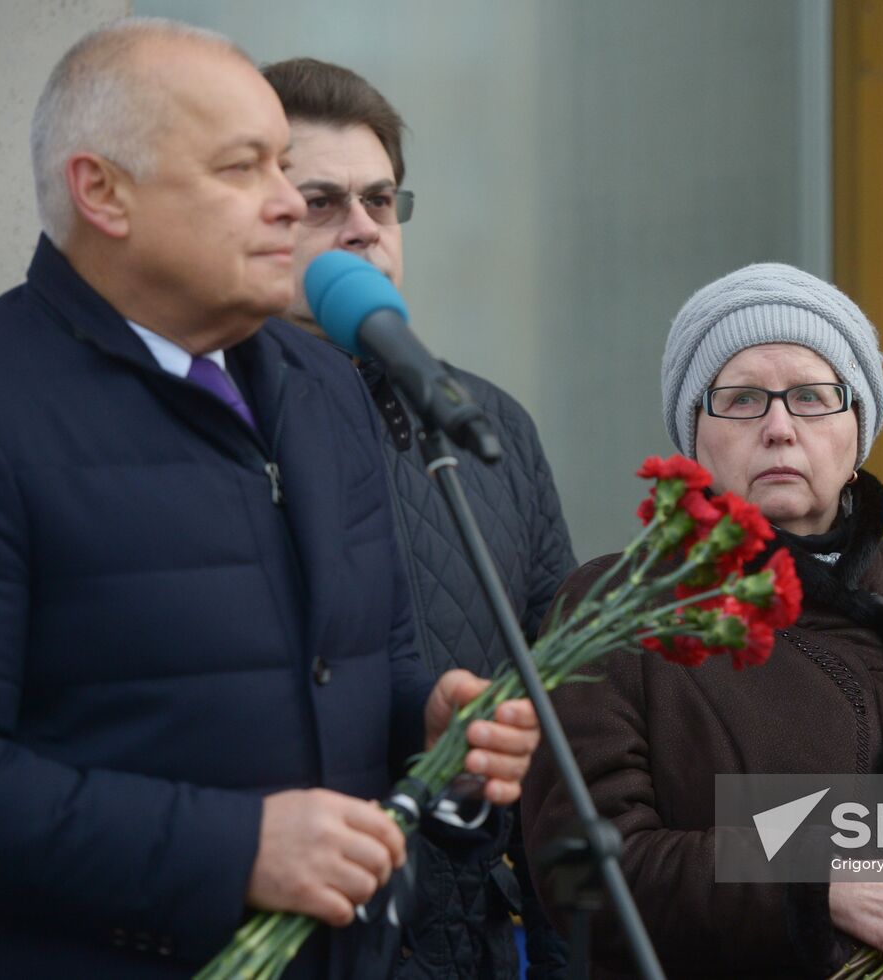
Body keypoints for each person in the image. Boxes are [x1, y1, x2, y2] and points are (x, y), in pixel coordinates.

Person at [0, 19, 540, 979]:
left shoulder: (324, 389)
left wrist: (431, 729)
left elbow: (379, 667)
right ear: (101, 190)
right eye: (245, 170)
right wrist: (233, 850)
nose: (287, 205)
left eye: (284, 166)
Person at [520, 263, 883, 978]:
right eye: (740, 400)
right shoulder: (618, 609)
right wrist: (813, 883)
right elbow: (580, 874)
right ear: (692, 438)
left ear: (857, 432)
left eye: (811, 397)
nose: (778, 427)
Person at [259, 56, 577, 978]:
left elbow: (556, 718)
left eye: (381, 200)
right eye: (322, 202)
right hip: (296, 934)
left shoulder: (486, 426)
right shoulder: (214, 426)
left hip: (471, 936)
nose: (363, 230)